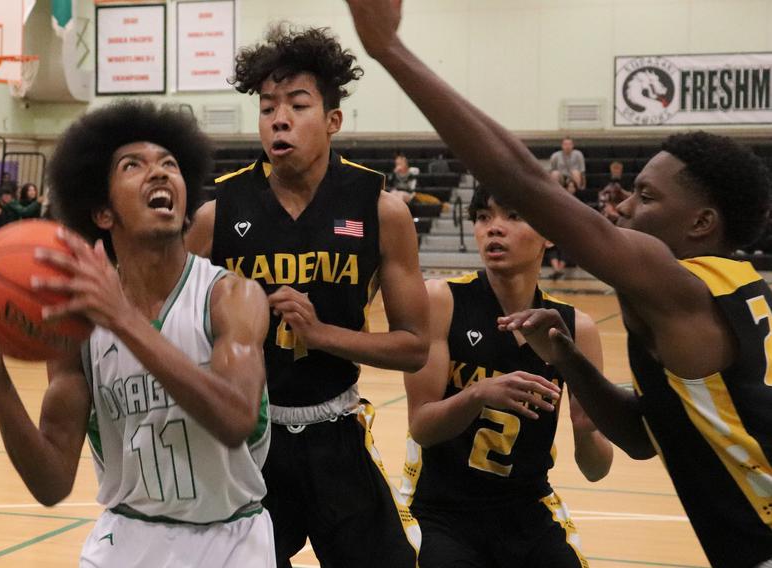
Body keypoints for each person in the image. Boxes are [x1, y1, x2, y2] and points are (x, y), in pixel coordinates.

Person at [345, 2, 772, 566]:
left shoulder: (680, 286)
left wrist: (388, 49)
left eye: (646, 196)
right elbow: (645, 437)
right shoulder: (729, 284)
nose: (619, 206)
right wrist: (567, 359)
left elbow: (522, 180)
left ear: (700, 223)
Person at [0, 100, 276, 567]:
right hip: (125, 539)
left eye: (170, 164)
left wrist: (122, 320)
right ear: (103, 213)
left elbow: (234, 420)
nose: (159, 173)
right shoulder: (77, 325)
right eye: (134, 165)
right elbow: (51, 484)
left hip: (229, 540)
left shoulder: (230, 297)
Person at [186, 25, 428, 568]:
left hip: (338, 434)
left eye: (297, 104)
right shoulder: (216, 215)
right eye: (267, 106)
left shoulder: (381, 210)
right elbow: (176, 334)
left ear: (333, 120)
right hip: (248, 447)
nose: (279, 118)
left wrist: (324, 337)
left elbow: (415, 346)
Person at [400, 185, 613, 567]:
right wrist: (478, 394)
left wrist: (585, 427)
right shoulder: (442, 300)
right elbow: (422, 426)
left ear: (549, 234)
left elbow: (596, 470)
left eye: (513, 216)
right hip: (441, 511)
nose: (494, 228)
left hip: (528, 508)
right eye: (483, 217)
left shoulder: (576, 328)